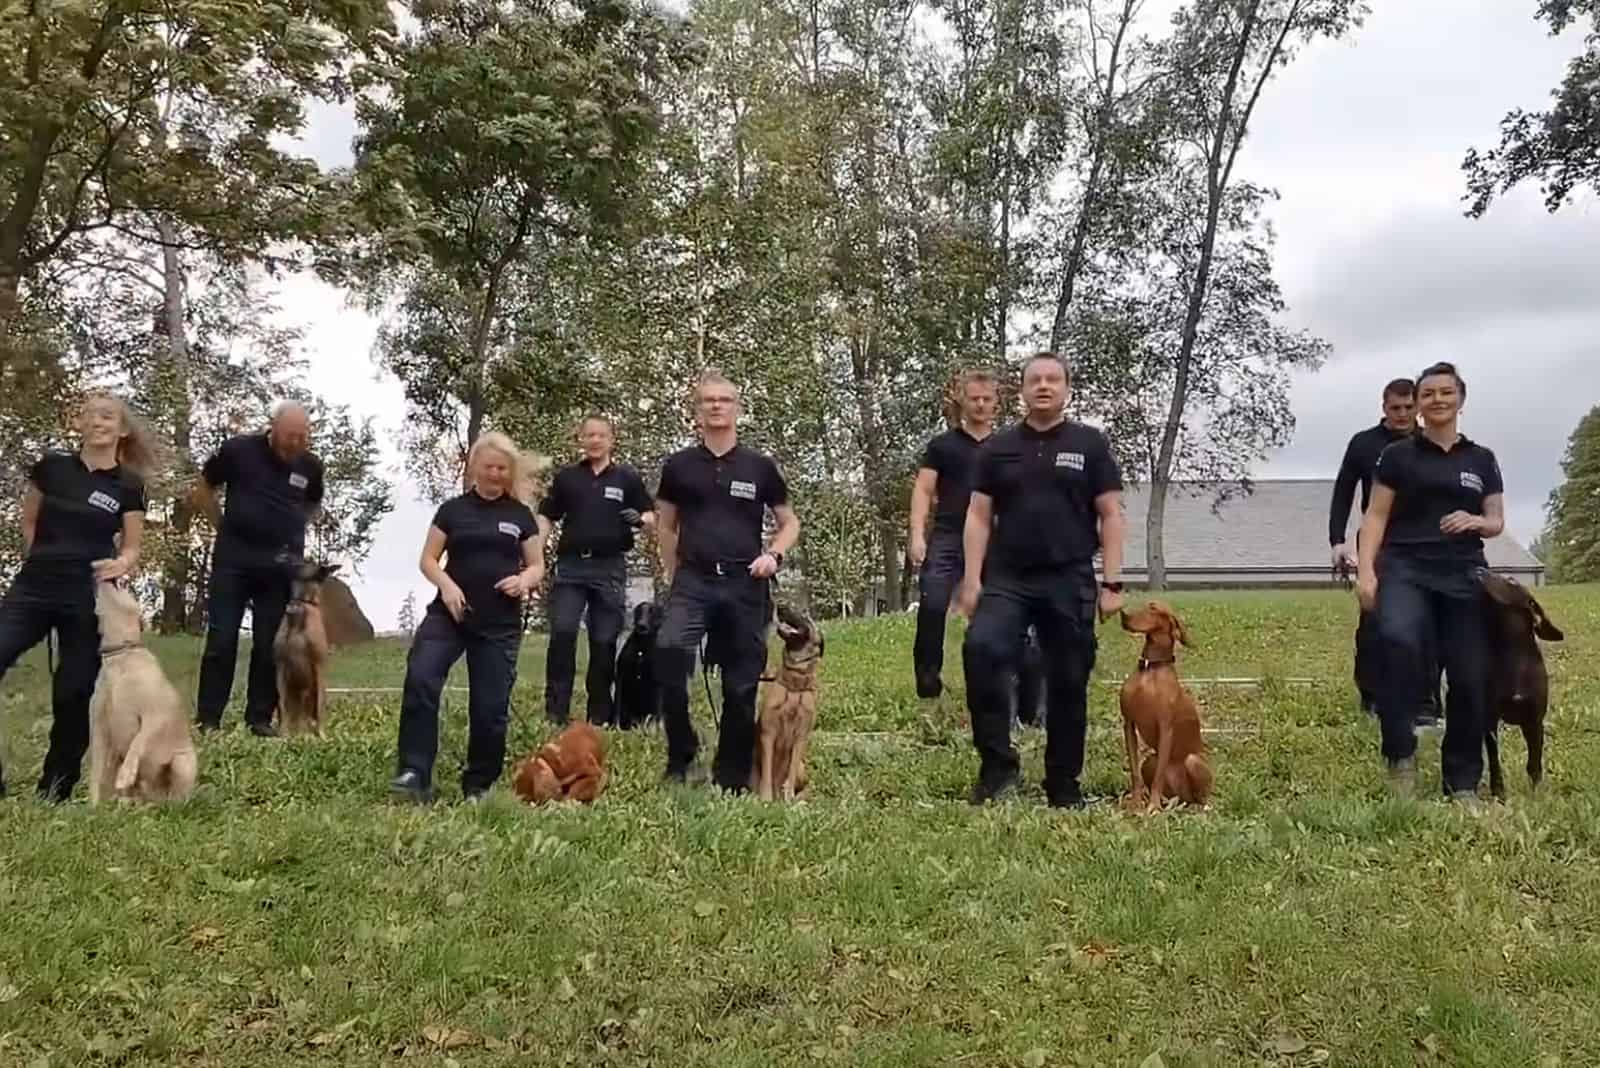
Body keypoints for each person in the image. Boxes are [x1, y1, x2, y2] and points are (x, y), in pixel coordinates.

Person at [956, 352, 1125, 808]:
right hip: (1008, 578)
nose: (1044, 386)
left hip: (1069, 577)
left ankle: (1063, 785)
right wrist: (971, 580)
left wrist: (1112, 584)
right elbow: (977, 515)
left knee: (1069, 677)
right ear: (1022, 390)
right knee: (982, 650)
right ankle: (996, 772)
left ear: (1067, 389)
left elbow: (1111, 514)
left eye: (1054, 379)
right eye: (1036, 380)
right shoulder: (998, 448)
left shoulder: (1090, 445)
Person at [1356, 362, 1502, 802]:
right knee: (1399, 645)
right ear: (1418, 405)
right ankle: (1400, 755)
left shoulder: (1481, 460)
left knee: (1471, 674)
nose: (1437, 400)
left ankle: (1461, 782)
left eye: (1446, 392)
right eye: (1428, 394)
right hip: (1405, 567)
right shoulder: (1398, 456)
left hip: (1463, 572)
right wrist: (1366, 571)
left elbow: (1496, 521)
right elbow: (1375, 515)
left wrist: (1476, 519)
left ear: (1460, 399)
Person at [653, 371, 800, 792]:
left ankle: (731, 775)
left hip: (744, 583)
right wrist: (670, 571)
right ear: (697, 411)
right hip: (693, 581)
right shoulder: (678, 466)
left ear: (736, 408)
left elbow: (789, 523)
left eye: (724, 400)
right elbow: (666, 524)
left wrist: (773, 555)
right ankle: (682, 756)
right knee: (667, 652)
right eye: (708, 401)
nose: (716, 406)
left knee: (741, 683)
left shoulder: (760, 467)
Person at [0, 394, 151, 801]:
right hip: (34, 587)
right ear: (79, 425)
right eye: (91, 415)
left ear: (121, 430)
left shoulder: (128, 485)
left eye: (108, 416)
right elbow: (29, 521)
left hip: (87, 597)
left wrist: (123, 563)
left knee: (73, 691)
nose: (98, 421)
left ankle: (56, 787)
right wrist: (45, 560)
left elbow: (132, 547)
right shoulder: (51, 468)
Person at [391, 432, 546, 803]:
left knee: (490, 706)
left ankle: (479, 784)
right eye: (488, 466)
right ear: (474, 466)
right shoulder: (452, 510)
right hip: (449, 616)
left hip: (499, 624)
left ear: (510, 472)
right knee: (421, 677)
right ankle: (414, 772)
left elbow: (537, 565)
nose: (494, 474)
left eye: (501, 468)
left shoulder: (519, 516)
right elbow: (428, 559)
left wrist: (523, 580)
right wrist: (446, 585)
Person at [193, 400, 325, 737]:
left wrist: (296, 527)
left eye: (301, 437)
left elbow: (313, 503)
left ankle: (259, 718)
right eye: (289, 436)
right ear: (273, 427)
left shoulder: (310, 467)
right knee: (222, 640)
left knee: (270, 644)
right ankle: (208, 719)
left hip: (280, 567)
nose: (294, 443)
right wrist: (219, 522)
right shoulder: (239, 451)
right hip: (234, 560)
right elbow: (204, 485)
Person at [1329, 378, 1441, 723]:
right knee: (1374, 618)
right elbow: (1344, 492)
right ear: (1384, 407)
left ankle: (1425, 702)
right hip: (1378, 540)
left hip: (1423, 540)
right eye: (1396, 408)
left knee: (1427, 620)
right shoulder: (1364, 444)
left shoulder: (1432, 443)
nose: (1404, 414)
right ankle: (1373, 697)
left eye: (1410, 407)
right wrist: (1338, 541)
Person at [537, 415, 655, 727]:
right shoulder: (567, 478)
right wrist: (535, 552)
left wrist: (641, 521)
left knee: (604, 641)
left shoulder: (626, 479)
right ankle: (555, 712)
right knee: (563, 633)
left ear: (611, 439)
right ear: (581, 440)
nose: (594, 441)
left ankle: (599, 714)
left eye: (601, 435)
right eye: (588, 435)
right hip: (572, 568)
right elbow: (547, 516)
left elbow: (652, 515)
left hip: (609, 568)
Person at [908, 370, 998, 701]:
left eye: (986, 399)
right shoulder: (942, 446)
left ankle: (996, 683)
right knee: (932, 604)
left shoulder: (1006, 447)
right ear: (962, 400)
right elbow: (923, 489)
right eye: (974, 398)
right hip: (947, 535)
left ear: (995, 404)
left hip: (993, 538)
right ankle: (928, 684)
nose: (980, 404)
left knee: (999, 611)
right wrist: (917, 534)